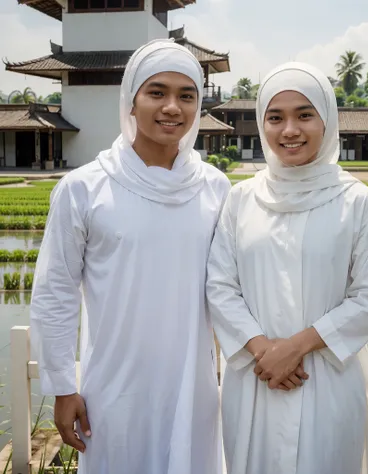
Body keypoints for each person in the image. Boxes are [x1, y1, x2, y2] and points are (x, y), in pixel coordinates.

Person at [30, 40, 230, 474]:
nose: (172, 107)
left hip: (193, 386)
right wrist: (64, 388)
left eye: (187, 95)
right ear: (131, 100)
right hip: (114, 389)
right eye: (156, 92)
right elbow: (55, 292)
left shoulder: (216, 189)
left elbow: (233, 292)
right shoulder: (84, 188)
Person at [206, 62, 368, 474]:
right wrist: (262, 350)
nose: (289, 130)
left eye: (305, 115)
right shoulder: (241, 200)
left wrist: (296, 347)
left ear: (327, 120)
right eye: (275, 117)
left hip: (324, 374)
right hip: (256, 376)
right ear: (261, 123)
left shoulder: (356, 201)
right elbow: (220, 285)